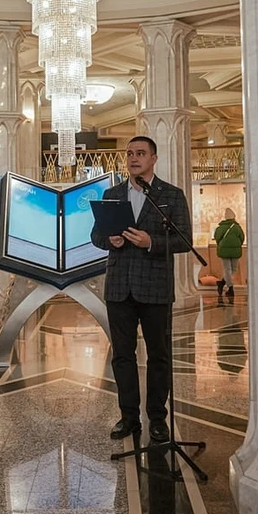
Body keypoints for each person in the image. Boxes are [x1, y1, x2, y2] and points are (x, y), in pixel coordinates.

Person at [90, 136, 192, 443]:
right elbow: (96, 235)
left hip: (155, 289)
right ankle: (129, 417)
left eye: (140, 153)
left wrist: (151, 242)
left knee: (159, 356)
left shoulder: (171, 196)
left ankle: (157, 418)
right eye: (130, 153)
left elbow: (184, 241)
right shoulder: (112, 194)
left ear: (153, 159)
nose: (134, 158)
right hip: (119, 288)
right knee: (123, 356)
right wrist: (109, 240)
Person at [213, 208, 244, 304]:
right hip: (235, 251)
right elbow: (242, 238)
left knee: (227, 269)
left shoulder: (220, 227)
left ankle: (223, 283)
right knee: (234, 269)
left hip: (224, 251)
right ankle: (230, 288)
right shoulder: (237, 227)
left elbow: (217, 237)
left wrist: (222, 245)